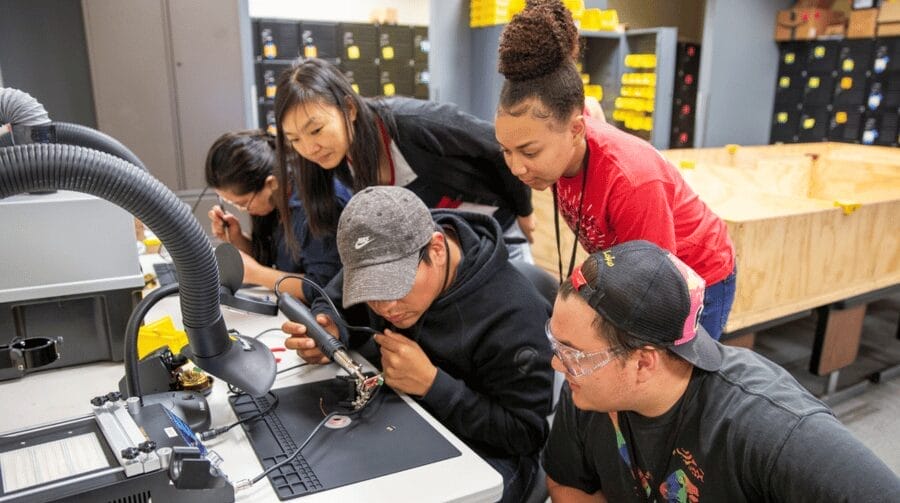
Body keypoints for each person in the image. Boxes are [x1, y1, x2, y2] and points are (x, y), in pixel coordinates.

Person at [542, 240, 900, 502]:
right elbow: (566, 482)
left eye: (573, 354)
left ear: (643, 362)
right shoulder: (589, 391)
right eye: (556, 344)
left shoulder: (766, 424)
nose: (558, 363)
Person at [281, 186, 554, 502]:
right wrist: (328, 331)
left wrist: (434, 385)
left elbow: (524, 435)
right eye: (371, 290)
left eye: (395, 287)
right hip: (407, 420)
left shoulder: (514, 314)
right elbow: (333, 300)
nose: (385, 306)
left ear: (437, 249)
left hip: (490, 455)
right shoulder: (380, 249)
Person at [494, 0, 736, 340]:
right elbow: (590, 107)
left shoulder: (633, 184)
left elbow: (656, 288)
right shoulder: (570, 136)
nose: (517, 167)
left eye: (529, 151)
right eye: (506, 150)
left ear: (576, 130)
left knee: (674, 378)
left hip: (695, 275)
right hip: (635, 264)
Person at [272, 57, 537, 262]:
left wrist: (524, 210)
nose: (309, 148)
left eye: (316, 130)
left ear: (349, 108)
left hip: (497, 232)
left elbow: (499, 146)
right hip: (446, 254)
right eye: (294, 139)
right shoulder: (335, 163)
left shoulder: (414, 123)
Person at [205, 129, 349, 302]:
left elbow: (323, 289)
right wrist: (237, 238)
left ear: (271, 183)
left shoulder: (319, 208)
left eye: (243, 203)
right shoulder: (277, 200)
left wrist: (256, 274)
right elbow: (273, 262)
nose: (243, 210)